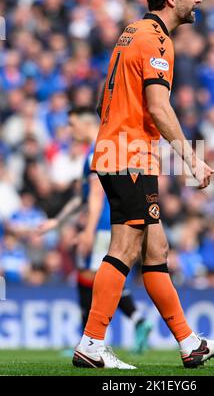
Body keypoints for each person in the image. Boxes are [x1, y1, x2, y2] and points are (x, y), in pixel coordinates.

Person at [73, 0, 214, 370]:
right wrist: (192, 159)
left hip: (117, 150)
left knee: (156, 247)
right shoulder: (157, 41)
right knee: (124, 248)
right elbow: (159, 107)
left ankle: (189, 342)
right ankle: (91, 342)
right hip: (128, 155)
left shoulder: (132, 32)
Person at [37, 106, 152, 354]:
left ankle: (92, 339)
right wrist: (57, 221)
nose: (70, 130)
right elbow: (83, 196)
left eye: (72, 124)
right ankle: (132, 323)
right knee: (91, 276)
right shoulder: (94, 152)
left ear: (86, 124)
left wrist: (88, 230)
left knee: (93, 277)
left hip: (101, 225)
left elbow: (97, 195)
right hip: (104, 224)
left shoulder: (96, 152)